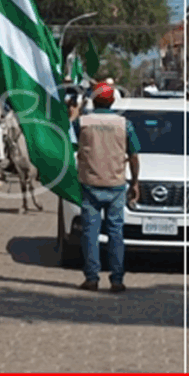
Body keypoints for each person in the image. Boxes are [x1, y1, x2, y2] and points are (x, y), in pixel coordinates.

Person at [72, 82, 140, 293]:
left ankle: (91, 278)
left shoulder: (82, 123)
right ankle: (117, 280)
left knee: (90, 234)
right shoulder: (125, 124)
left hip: (90, 184)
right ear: (112, 101)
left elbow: (69, 145)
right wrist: (135, 182)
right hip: (116, 185)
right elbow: (134, 156)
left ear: (94, 100)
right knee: (116, 233)